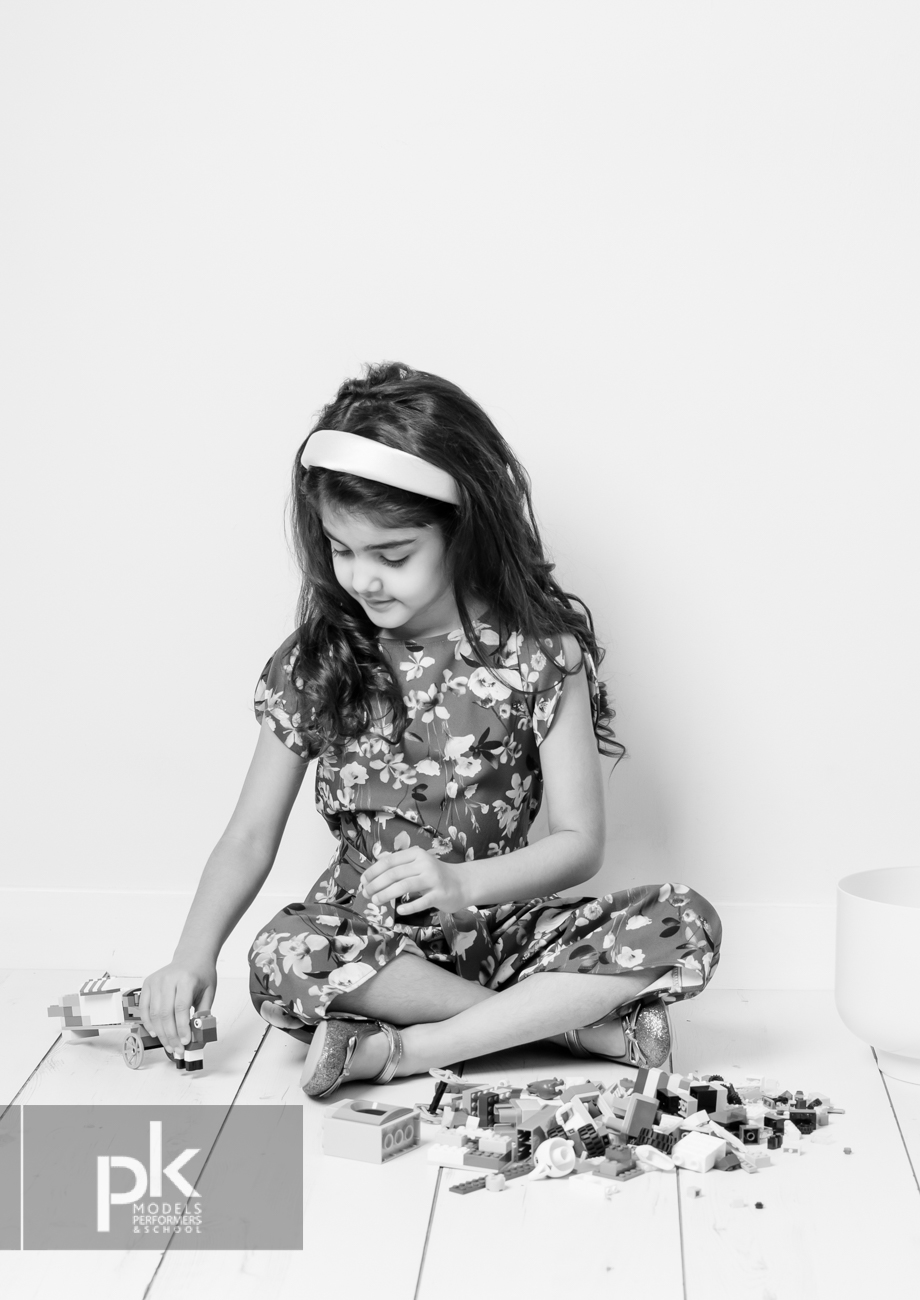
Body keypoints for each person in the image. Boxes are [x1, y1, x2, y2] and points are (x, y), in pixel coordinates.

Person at [140, 362, 722, 1099]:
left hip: (504, 930)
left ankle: (412, 1051)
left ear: (462, 531)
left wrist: (461, 884)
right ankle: (568, 1029)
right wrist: (191, 956)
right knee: (281, 954)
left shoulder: (541, 655)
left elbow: (580, 844)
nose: (363, 579)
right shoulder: (318, 662)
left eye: (393, 555)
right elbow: (249, 836)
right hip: (374, 943)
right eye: (341, 550)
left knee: (686, 919)